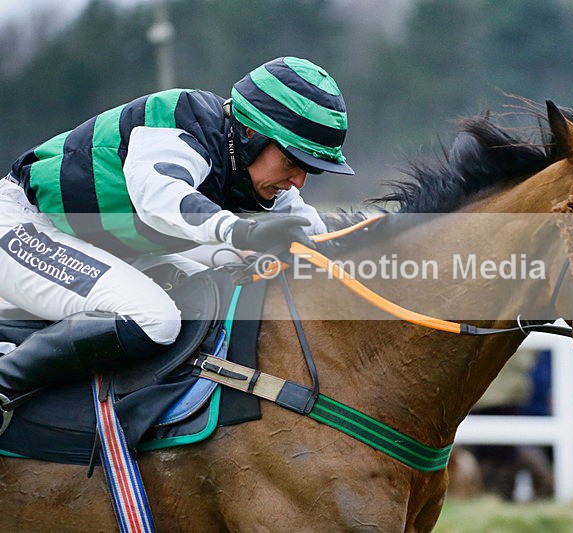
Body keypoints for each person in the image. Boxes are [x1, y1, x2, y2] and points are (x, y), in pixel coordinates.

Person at [0, 57, 353, 425]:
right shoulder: (179, 123)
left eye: (309, 169)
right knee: (155, 319)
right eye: (292, 161)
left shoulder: (255, 170)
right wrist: (241, 231)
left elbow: (317, 234)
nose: (298, 181)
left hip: (104, 246)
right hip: (25, 225)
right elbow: (161, 198)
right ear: (251, 134)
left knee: (208, 299)